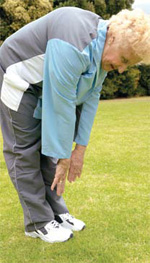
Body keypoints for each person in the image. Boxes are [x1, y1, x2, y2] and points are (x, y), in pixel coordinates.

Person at [0, 6, 150, 244]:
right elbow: (61, 104)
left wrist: (79, 148)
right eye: (123, 60)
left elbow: (89, 99)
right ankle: (37, 222)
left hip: (40, 87)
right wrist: (64, 156)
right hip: (18, 78)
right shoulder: (73, 41)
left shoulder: (102, 50)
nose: (121, 69)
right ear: (112, 36)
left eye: (127, 65)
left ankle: (57, 214)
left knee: (49, 154)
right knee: (25, 152)